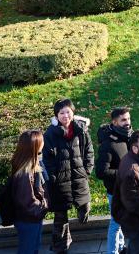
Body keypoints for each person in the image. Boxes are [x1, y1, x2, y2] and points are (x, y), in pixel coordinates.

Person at [42, 98, 94, 254]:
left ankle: (81, 217)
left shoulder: (81, 130)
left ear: (73, 113)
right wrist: (53, 177)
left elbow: (89, 151)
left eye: (68, 112)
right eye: (61, 113)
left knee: (85, 207)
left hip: (79, 177)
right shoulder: (50, 134)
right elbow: (47, 159)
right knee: (60, 217)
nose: (65, 116)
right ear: (56, 116)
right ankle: (61, 246)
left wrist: (87, 170)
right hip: (60, 182)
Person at [96, 107, 134, 254]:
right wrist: (123, 172)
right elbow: (101, 172)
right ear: (114, 122)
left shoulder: (128, 136)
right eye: (123, 120)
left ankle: (120, 248)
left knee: (121, 221)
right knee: (116, 223)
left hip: (127, 188)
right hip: (115, 191)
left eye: (129, 119)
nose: (127, 122)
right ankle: (112, 252)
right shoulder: (108, 144)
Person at [9, 130, 50, 254]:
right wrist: (43, 207)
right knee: (28, 250)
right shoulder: (25, 172)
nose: (44, 142)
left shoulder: (33, 162)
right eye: (41, 141)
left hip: (32, 217)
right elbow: (26, 202)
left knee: (33, 248)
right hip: (29, 219)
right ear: (35, 145)